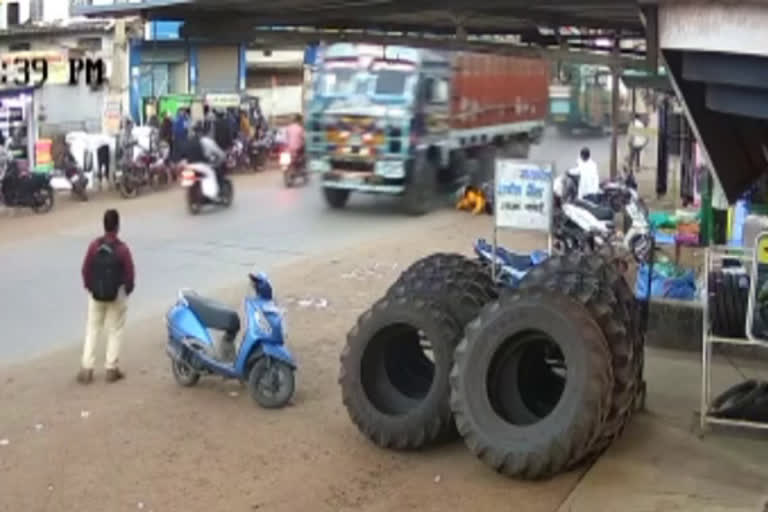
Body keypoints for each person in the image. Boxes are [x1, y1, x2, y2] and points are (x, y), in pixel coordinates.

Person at [77, 209, 135, 384]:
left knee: (92, 329)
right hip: (116, 295)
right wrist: (126, 291)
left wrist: (90, 287)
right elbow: (130, 275)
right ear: (117, 227)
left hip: (96, 295)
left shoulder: (94, 246)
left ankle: (87, 369)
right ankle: (111, 368)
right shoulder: (123, 249)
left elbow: (85, 269)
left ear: (104, 225)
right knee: (115, 330)